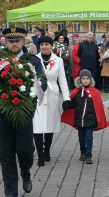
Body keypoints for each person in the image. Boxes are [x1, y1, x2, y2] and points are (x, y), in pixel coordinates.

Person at [0, 27, 47, 197]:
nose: (14, 44)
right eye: (11, 41)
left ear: (24, 42)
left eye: (17, 41)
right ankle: (11, 191)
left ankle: (26, 172)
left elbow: (42, 83)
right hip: (3, 112)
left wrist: (29, 96)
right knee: (6, 152)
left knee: (24, 149)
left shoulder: (33, 61)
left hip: (24, 111)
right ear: (5, 42)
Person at [33, 36, 70, 166]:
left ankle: (47, 150)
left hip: (53, 95)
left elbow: (63, 81)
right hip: (37, 94)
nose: (44, 47)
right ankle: (40, 154)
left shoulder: (58, 60)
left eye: (47, 44)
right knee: (37, 124)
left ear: (51, 46)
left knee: (50, 124)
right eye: (42, 44)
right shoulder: (34, 59)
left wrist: (66, 98)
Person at [61, 69, 107, 164]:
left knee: (89, 138)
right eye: (83, 78)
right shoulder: (77, 92)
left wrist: (97, 118)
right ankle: (83, 152)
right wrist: (66, 104)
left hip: (90, 120)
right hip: (80, 120)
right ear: (80, 80)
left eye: (87, 78)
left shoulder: (95, 92)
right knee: (81, 138)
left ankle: (89, 154)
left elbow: (98, 107)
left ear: (90, 80)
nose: (85, 80)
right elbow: (73, 104)